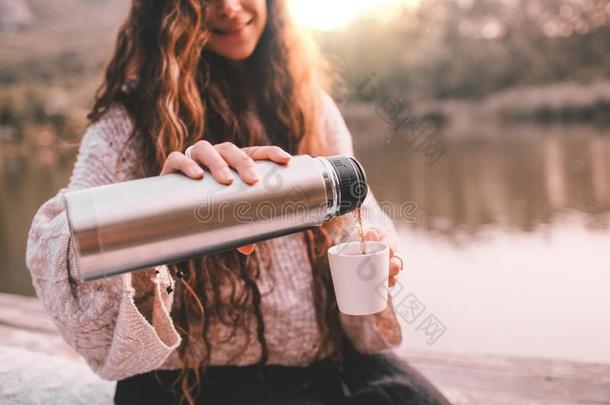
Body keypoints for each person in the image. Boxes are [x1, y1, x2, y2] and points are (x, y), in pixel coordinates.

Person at [25, 0, 452, 404]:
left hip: (329, 365)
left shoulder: (310, 103)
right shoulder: (130, 118)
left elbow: (360, 211)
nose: (228, 7)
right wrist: (162, 206)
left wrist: (379, 251)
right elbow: (56, 246)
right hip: (193, 385)